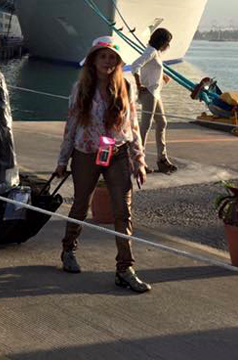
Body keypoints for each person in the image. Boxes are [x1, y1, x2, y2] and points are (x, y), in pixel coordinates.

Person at [54, 36, 150, 293]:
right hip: (85, 151)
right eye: (103, 56)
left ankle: (125, 268)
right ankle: (68, 250)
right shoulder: (81, 88)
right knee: (81, 204)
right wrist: (63, 159)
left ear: (118, 62)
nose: (108, 61)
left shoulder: (126, 87)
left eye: (112, 57)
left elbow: (133, 126)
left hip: (116, 152)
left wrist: (139, 159)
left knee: (123, 210)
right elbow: (71, 125)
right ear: (94, 60)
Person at [131, 28, 177, 174]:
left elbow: (152, 69)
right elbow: (135, 65)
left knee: (162, 123)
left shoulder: (155, 52)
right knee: (145, 126)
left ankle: (162, 159)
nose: (168, 46)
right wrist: (139, 85)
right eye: (167, 42)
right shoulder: (150, 51)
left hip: (155, 93)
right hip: (149, 93)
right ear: (162, 41)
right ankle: (138, 161)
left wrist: (162, 76)